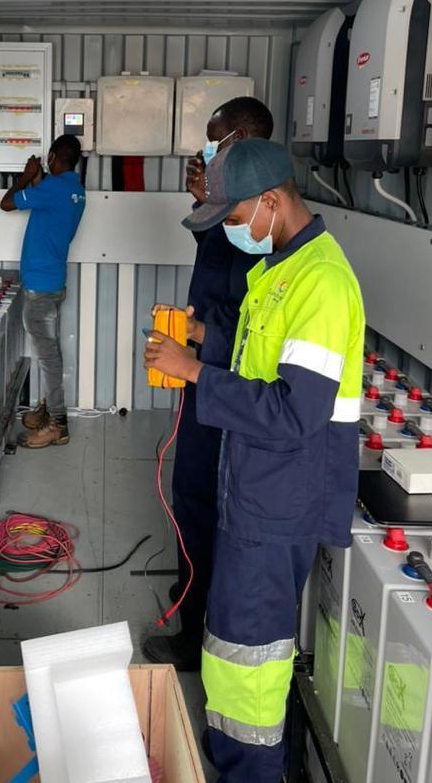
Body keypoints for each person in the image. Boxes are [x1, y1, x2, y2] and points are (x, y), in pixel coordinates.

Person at [144, 138, 364, 783]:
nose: (233, 231)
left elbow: (297, 411)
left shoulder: (321, 283)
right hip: (254, 488)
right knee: (237, 644)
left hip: (279, 502)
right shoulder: (279, 268)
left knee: (250, 657)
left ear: (271, 201)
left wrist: (192, 373)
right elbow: (255, 360)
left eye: (236, 218)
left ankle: (252, 768)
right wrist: (202, 338)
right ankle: (239, 751)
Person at [143, 96, 274, 671]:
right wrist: (207, 204)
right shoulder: (242, 209)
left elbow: (253, 324)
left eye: (213, 139)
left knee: (201, 499)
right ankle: (193, 594)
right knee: (194, 496)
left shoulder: (262, 220)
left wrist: (199, 347)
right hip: (207, 365)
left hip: (224, 378)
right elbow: (219, 262)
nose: (205, 148)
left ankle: (198, 630)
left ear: (239, 140)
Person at [0, 134, 86, 448]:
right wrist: (38, 178)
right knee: (49, 350)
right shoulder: (74, 190)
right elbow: (45, 200)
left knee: (49, 356)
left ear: (52, 157)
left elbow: (7, 203)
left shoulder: (53, 189)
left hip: (41, 287)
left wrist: (25, 177)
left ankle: (57, 424)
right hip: (53, 281)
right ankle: (49, 410)